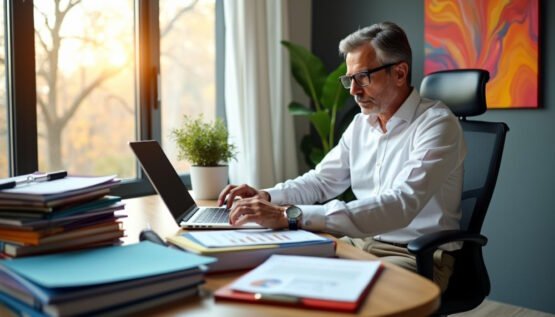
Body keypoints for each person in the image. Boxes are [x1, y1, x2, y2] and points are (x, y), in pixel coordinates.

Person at [217, 21, 466, 292]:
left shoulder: (437, 124)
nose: (353, 90)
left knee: (349, 298)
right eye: (350, 79)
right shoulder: (362, 124)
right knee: (279, 276)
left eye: (364, 77)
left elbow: (400, 204)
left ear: (399, 72)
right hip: (360, 243)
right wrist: (266, 197)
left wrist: (290, 215)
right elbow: (321, 181)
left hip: (416, 255)